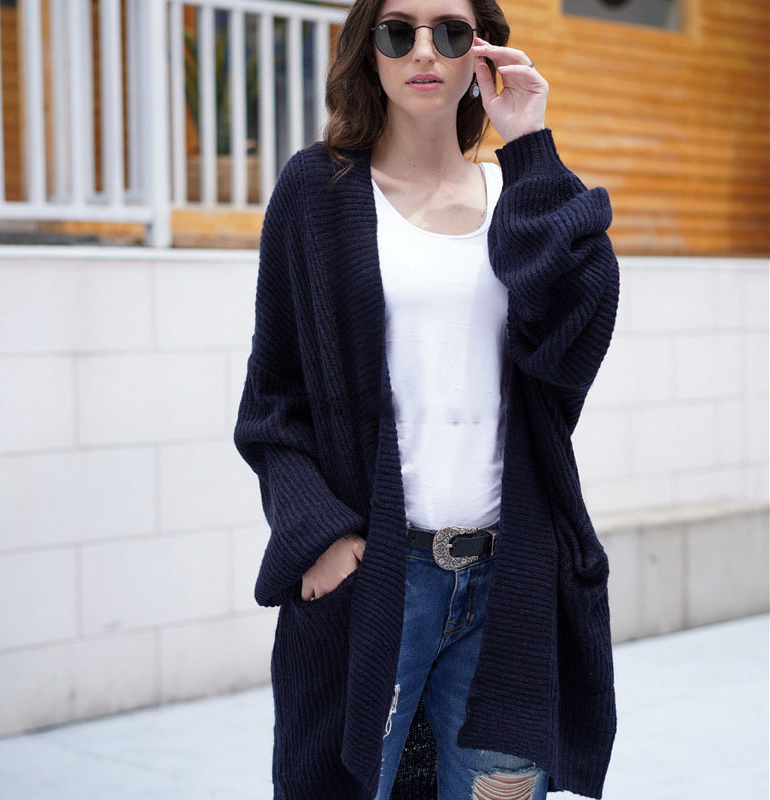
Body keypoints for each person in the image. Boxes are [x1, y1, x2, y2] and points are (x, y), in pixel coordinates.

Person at [233, 0, 620, 798]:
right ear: (367, 48)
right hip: (377, 578)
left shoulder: (519, 193)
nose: (423, 51)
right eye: (397, 30)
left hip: (509, 581)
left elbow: (577, 331)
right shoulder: (317, 192)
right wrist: (322, 539)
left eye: (450, 32)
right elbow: (273, 401)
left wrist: (530, 144)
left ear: (481, 52)